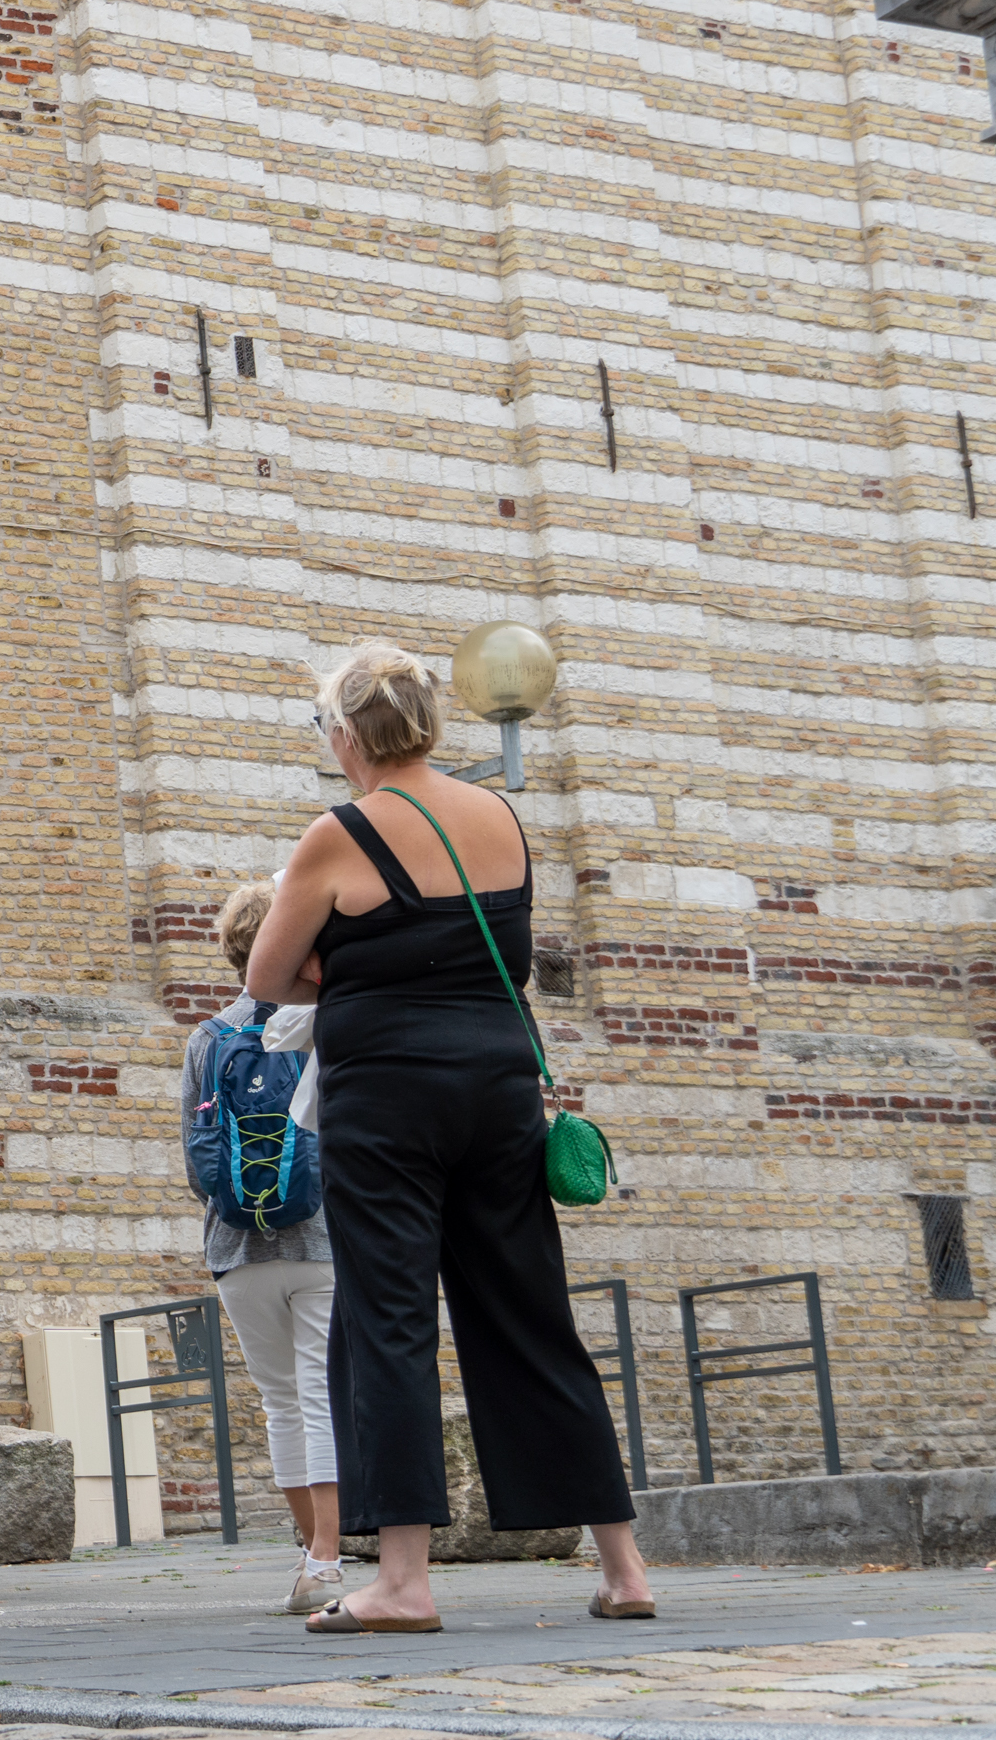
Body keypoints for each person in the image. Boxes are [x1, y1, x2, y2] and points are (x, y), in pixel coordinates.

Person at [245, 643, 652, 1632]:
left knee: (387, 1318)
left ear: (346, 735)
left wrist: (361, 986)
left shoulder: (337, 835)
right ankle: (625, 1566)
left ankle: (402, 1580)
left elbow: (266, 974)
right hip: (499, 1089)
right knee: (530, 1312)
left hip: (388, 1099)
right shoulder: (501, 818)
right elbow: (506, 955)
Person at [186, 880, 343, 1615]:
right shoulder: (327, 1021)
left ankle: (308, 1553)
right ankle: (327, 1564)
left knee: (282, 1402)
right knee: (322, 1395)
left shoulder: (208, 1038)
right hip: (323, 1239)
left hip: (236, 1244)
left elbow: (196, 1162)